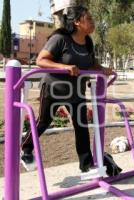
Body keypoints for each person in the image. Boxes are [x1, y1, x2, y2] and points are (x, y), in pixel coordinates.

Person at [21, 6, 113, 173]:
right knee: (43, 121)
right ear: (77, 22)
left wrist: (102, 69)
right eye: (89, 19)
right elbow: (41, 61)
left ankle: (86, 165)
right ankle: (26, 149)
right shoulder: (60, 39)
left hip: (77, 92)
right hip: (54, 88)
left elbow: (90, 63)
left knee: (81, 125)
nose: (93, 22)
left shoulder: (88, 42)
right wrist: (64, 67)